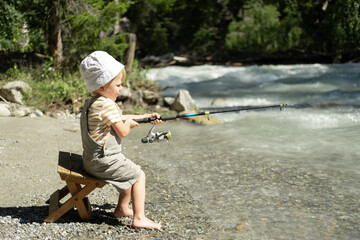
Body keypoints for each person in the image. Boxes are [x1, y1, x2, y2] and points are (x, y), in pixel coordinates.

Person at [79, 51, 161, 230]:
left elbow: (120, 116)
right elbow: (123, 130)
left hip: (93, 160)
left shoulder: (96, 101)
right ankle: (139, 218)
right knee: (138, 176)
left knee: (129, 169)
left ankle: (122, 208)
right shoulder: (106, 104)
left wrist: (144, 117)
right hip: (102, 161)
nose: (121, 88)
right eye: (118, 85)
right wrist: (130, 124)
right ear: (102, 86)